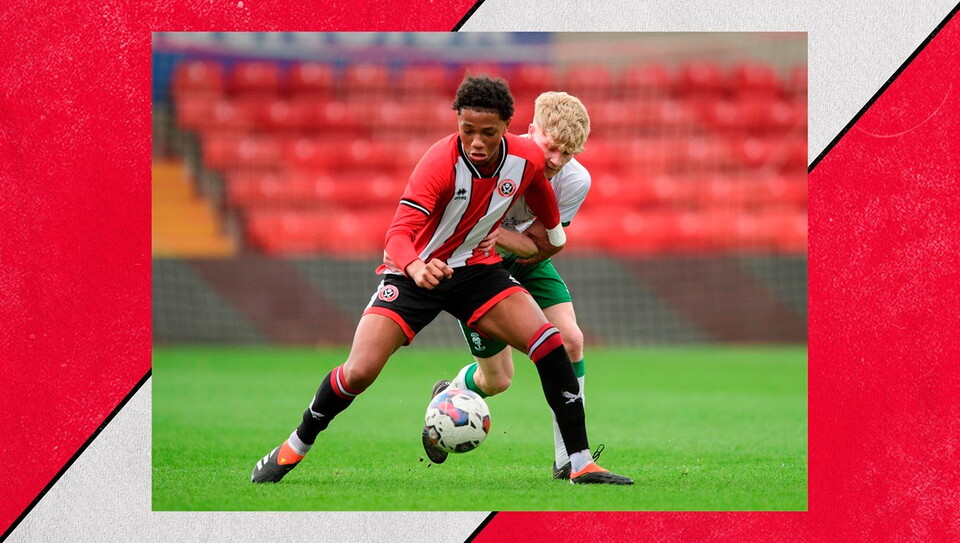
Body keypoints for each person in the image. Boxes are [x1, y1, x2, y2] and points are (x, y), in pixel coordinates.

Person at [250, 75, 631, 485]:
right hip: (418, 273)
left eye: (488, 133)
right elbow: (397, 234)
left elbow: (543, 207)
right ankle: (295, 445)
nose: (477, 142)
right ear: (459, 124)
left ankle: (579, 463)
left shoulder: (527, 159)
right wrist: (416, 267)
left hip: (479, 272)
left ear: (507, 127)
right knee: (359, 371)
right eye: (468, 130)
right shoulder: (439, 162)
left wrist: (552, 233)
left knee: (553, 343)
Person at [424, 91, 598, 480]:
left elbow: (541, 245)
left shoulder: (575, 180)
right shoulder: (494, 158)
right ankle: (449, 394)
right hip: (476, 266)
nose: (557, 161)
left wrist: (498, 234)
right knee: (498, 380)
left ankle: (568, 458)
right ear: (531, 130)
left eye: (568, 153)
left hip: (526, 260)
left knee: (571, 340)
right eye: (551, 147)